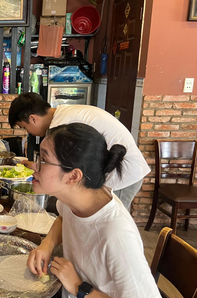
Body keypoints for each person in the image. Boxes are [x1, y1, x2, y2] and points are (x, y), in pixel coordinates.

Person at [27, 123, 160, 298]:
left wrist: (79, 287)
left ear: (73, 176)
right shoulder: (74, 198)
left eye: (43, 160)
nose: (33, 166)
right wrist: (47, 245)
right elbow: (63, 218)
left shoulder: (117, 235)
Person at [8, 92, 150, 211]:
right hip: (111, 170)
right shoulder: (62, 114)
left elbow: (64, 170)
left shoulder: (62, 126)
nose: (29, 133)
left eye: (25, 128)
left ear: (33, 118)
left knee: (104, 219)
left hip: (122, 173)